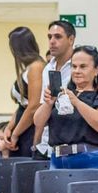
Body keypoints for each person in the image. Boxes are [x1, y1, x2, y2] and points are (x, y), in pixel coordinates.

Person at [33, 46, 98, 175]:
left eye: (83, 66)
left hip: (90, 160)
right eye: (74, 66)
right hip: (58, 160)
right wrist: (48, 103)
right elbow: (38, 122)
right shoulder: (62, 95)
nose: (77, 71)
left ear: (96, 70)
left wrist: (77, 102)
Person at [32, 20, 76, 159]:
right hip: (48, 144)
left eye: (57, 37)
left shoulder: (79, 65)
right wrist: (36, 142)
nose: (52, 41)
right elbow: (43, 105)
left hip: (74, 142)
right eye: (49, 37)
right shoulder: (48, 68)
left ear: (71, 39)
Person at [4, 27, 45, 157]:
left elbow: (33, 106)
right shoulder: (30, 67)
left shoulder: (36, 67)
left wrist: (16, 133)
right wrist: (10, 126)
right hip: (23, 126)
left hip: (29, 129)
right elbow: (23, 104)